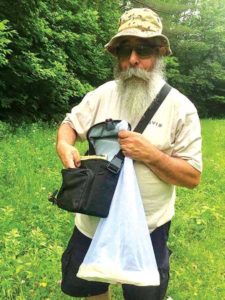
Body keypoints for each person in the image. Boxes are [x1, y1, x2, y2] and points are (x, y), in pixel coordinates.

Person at [56, 7, 202, 300]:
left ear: (159, 52)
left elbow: (192, 177)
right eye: (125, 50)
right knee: (92, 286)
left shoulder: (181, 108)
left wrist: (151, 155)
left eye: (143, 49)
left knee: (144, 295)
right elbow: (70, 124)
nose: (133, 59)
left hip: (148, 228)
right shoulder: (103, 94)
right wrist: (64, 144)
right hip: (92, 222)